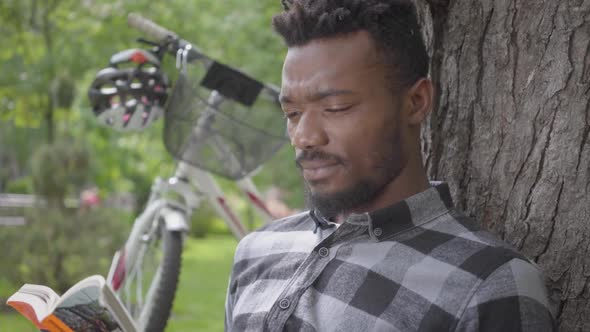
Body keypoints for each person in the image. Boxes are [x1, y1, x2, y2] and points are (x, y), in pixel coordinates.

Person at [225, 0, 556, 331]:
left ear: (416, 102)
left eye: (337, 107)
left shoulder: (486, 285)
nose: (304, 137)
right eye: (292, 114)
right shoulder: (256, 251)